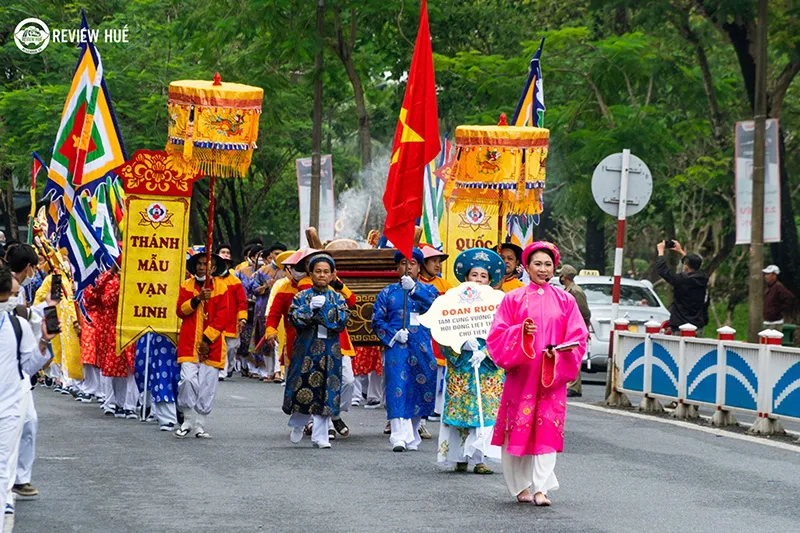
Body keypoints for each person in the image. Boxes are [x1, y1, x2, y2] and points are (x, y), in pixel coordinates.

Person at [487, 241, 588, 506]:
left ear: (554, 267)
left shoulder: (566, 300)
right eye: (537, 264)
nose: (543, 269)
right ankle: (520, 486)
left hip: (551, 376)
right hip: (521, 375)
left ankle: (542, 488)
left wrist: (560, 354)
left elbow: (578, 337)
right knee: (517, 431)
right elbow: (497, 335)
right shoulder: (513, 298)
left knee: (547, 431)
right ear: (526, 267)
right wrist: (520, 334)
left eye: (548, 264)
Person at [437, 248, 505, 474]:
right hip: (462, 366)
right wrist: (458, 345)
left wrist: (486, 351)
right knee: (461, 411)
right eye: (474, 275)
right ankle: (458, 457)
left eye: (483, 276)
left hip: (488, 368)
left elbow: (506, 333)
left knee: (484, 412)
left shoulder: (500, 303)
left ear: (490, 281)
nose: (478, 280)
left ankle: (480, 458)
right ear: (466, 278)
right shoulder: (452, 302)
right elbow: (441, 330)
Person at [372, 248, 439, 452]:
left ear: (419, 267)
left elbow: (437, 309)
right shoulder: (387, 293)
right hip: (398, 345)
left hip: (422, 344)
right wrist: (393, 335)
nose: (407, 267)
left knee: (422, 385)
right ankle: (398, 435)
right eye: (403, 263)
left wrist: (414, 291)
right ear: (396, 267)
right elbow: (377, 320)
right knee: (397, 386)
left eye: (412, 263)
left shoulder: (430, 290)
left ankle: (413, 432)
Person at [0, 263, 54, 515]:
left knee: (3, 462)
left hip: (9, 406)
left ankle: (7, 495)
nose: (11, 301)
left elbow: (30, 366)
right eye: (6, 297)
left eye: (11, 296)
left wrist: (43, 342)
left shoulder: (17, 325)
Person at [283, 254, 350, 449]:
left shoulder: (337, 298)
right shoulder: (301, 297)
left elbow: (342, 322)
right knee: (303, 389)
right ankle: (298, 423)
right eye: (318, 271)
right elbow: (294, 318)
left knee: (326, 391)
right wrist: (309, 310)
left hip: (330, 352)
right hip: (306, 351)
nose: (322, 275)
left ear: (332, 275)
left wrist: (325, 309)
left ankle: (321, 436)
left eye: (326, 272)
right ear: (311, 273)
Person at [174, 253, 229, 439]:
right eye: (199, 264)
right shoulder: (186, 286)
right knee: (187, 380)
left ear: (213, 268)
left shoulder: (221, 287)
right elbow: (180, 311)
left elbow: (223, 317)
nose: (202, 267)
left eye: (206, 264)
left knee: (207, 385)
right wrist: (197, 299)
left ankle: (199, 425)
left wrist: (207, 340)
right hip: (189, 342)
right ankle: (187, 420)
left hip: (212, 345)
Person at [416, 244, 453, 433]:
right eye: (434, 261)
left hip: (438, 336)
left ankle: (433, 415)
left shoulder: (445, 285)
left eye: (439, 261)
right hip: (418, 334)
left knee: (438, 376)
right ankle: (416, 420)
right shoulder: (413, 282)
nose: (438, 265)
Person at [249, 243, 287, 382]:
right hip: (263, 309)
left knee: (279, 341)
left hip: (283, 311)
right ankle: (267, 371)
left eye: (281, 254)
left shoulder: (288, 271)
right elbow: (252, 288)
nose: (278, 256)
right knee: (265, 340)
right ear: (270, 255)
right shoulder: (262, 271)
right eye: (276, 254)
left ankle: (278, 371)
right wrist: (266, 286)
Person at [655, 241, 709, 334]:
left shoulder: (682, 280)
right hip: (698, 326)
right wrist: (681, 251)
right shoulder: (703, 278)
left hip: (681, 327)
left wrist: (660, 252)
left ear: (686, 266)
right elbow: (693, 265)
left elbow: (663, 270)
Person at [215, 246, 248, 381]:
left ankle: (228, 368)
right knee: (219, 347)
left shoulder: (235, 281)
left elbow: (242, 302)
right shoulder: (212, 280)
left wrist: (243, 319)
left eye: (226, 263)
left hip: (232, 320)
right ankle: (220, 370)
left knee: (232, 348)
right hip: (216, 320)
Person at [558, 264, 591, 398]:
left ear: (564, 277)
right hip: (566, 327)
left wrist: (585, 328)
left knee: (573, 355)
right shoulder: (567, 290)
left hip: (575, 327)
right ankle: (570, 385)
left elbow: (585, 312)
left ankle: (574, 387)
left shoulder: (576, 291)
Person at [762, 265, 795, 329]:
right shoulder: (770, 287)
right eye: (765, 274)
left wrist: (779, 310)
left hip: (775, 323)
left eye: (768, 274)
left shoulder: (778, 286)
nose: (766, 276)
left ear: (774, 275)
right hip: (768, 322)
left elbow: (790, 297)